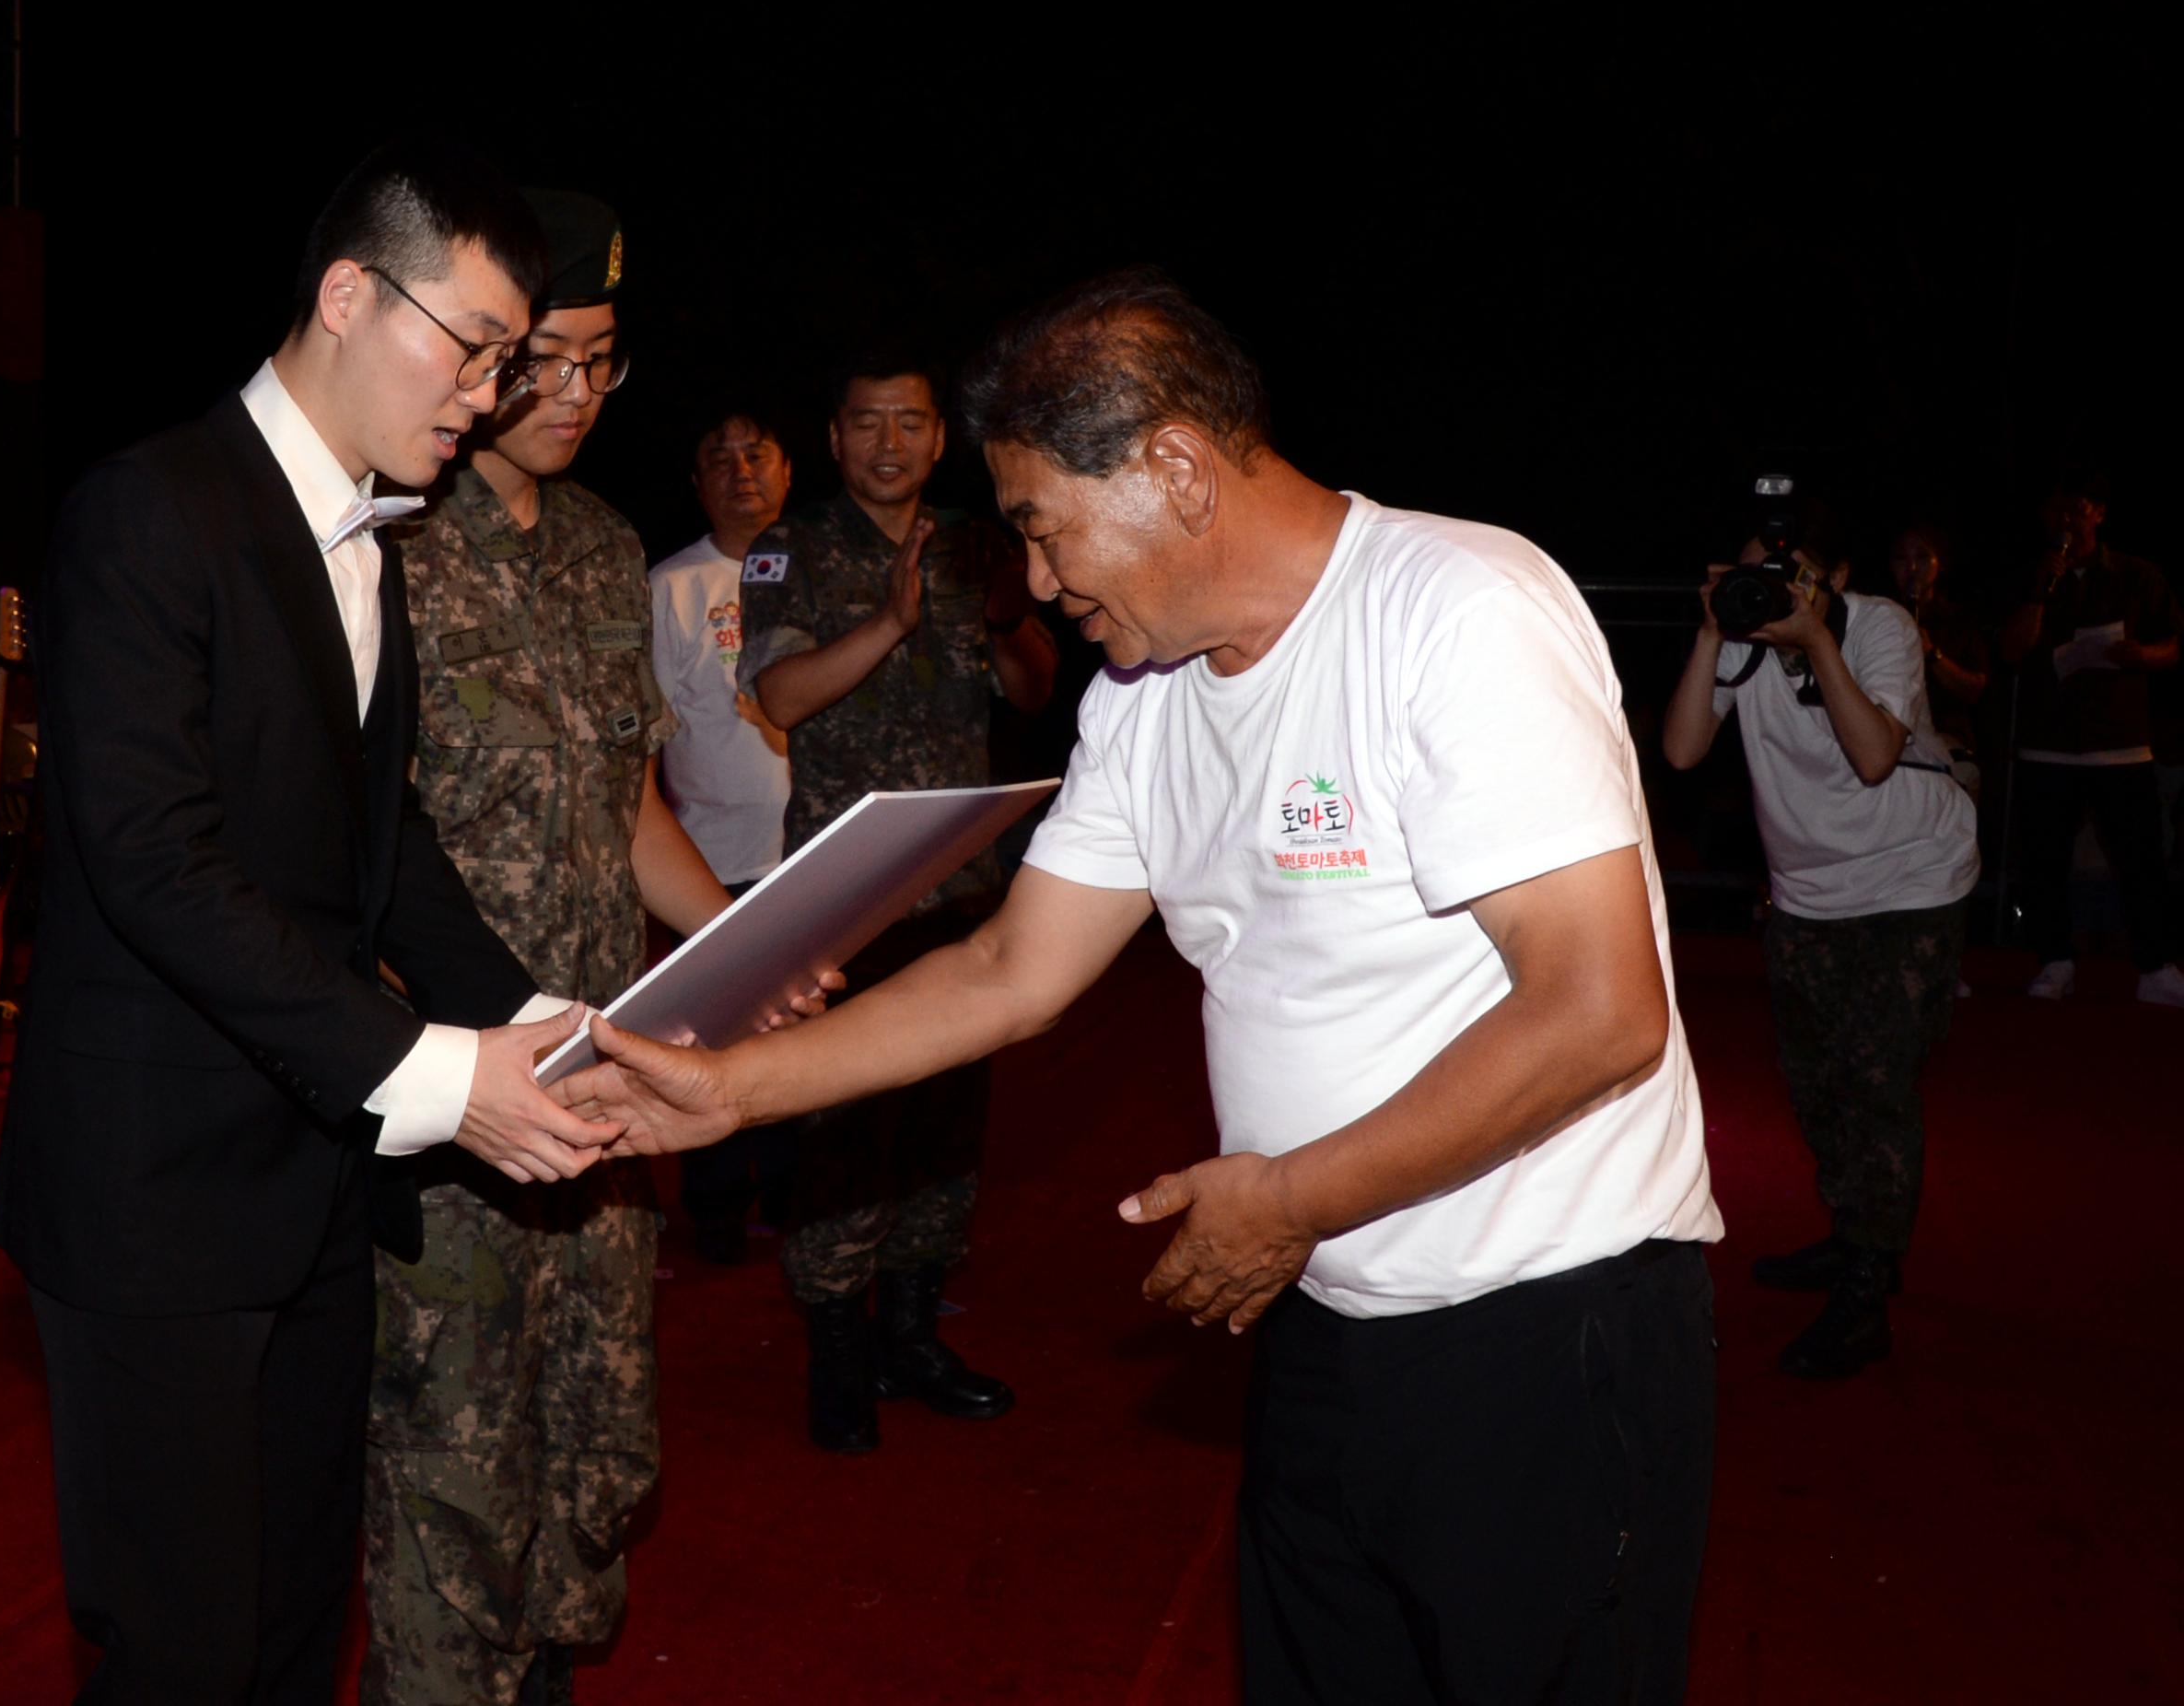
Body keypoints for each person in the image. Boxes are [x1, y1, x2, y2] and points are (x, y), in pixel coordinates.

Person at [565, 268, 1724, 1705]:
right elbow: (1007, 967)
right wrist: (724, 1090)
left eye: (1044, 527)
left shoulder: (1455, 610)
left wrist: (1291, 1197)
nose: (1038, 581)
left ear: (1175, 469)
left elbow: (1600, 1011)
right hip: (1318, 1311)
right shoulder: (1142, 696)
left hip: (1545, 1329)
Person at [0, 142, 626, 1704]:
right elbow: (153, 859)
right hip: (151, 1200)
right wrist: (436, 1067)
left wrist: (548, 1019)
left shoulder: (370, 539)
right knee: (180, 1650)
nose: (487, 391)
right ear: (348, 292)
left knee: (292, 1628)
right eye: (472, 345)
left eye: (510, 360)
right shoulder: (149, 510)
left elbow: (377, 852)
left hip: (311, 1182)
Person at [363, 190, 735, 1706]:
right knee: (453, 1465)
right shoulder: (387, 548)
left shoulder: (602, 547)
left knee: (595, 1438)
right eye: (548, 362)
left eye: (604, 364)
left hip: (607, 1073)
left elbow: (628, 798)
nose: (576, 396)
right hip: (460, 1103)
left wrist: (743, 937)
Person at [734, 353, 1057, 1450]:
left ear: (936, 438)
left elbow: (1031, 689)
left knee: (940, 1125)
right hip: (841, 896)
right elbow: (776, 695)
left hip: (958, 889)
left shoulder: (976, 542)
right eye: (865, 423)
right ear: (833, 438)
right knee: (836, 1123)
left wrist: (1011, 618)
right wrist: (889, 620)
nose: (887, 444)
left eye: (908, 424)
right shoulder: (793, 549)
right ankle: (837, 1343)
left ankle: (914, 1333)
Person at [1661, 508, 1979, 1378]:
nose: (1773, 589)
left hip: (1912, 878)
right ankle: (1852, 1236)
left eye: (1790, 573)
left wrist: (1818, 640)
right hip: (1809, 893)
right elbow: (1684, 749)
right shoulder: (1745, 633)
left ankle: (1870, 1283)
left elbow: (1874, 755)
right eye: (1758, 572)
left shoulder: (1880, 626)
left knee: (1877, 1078)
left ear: (1833, 576)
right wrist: (1711, 627)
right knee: (1816, 1080)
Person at [649, 410, 801, 1262]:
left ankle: (796, 1203)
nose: (742, 470)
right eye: (721, 458)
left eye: (758, 452)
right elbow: (649, 734)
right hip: (708, 863)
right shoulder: (670, 586)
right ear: (700, 485)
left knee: (805, 1036)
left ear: (789, 469)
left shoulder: (823, 573)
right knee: (707, 1041)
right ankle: (711, 1214)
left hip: (814, 851)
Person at [1998, 471, 2182, 1006]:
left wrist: (2143, 657)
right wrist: (2038, 592)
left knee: (2142, 862)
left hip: (2121, 744)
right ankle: (2055, 961)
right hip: (2046, 743)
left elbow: (2173, 645)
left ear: (2099, 513)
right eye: (2057, 511)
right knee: (2045, 862)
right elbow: (2011, 652)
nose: (2066, 521)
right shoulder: (2028, 577)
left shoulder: (2136, 575)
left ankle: (2155, 967)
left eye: (2077, 510)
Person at [1890, 522, 1990, 782]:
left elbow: (1976, 689)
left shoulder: (1961, 620)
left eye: (1922, 557)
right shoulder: (1880, 618)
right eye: (1902, 559)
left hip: (1948, 749)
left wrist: (1932, 654)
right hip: (1894, 746)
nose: (1911, 569)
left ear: (1939, 563)